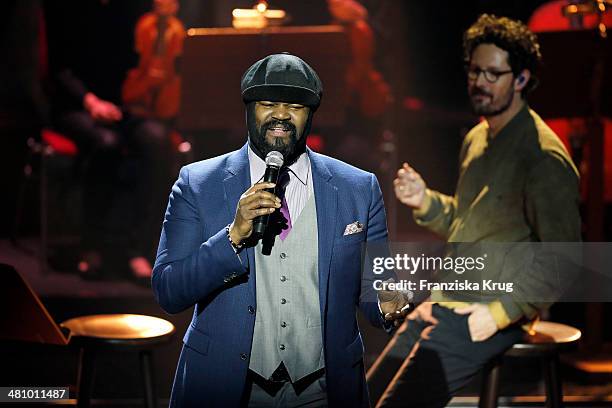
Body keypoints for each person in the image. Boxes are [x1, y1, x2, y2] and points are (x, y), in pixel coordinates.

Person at [152, 53, 410, 407]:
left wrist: (388, 303)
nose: (281, 115)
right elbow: (169, 290)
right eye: (268, 103)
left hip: (323, 391)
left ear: (310, 115)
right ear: (248, 109)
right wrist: (233, 236)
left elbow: (375, 287)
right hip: (225, 389)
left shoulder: (358, 188)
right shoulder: (198, 183)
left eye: (295, 105)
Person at [371, 14, 582, 407]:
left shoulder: (543, 156)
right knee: (361, 394)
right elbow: (469, 224)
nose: (480, 82)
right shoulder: (478, 137)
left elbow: (565, 258)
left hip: (489, 312)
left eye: (493, 73)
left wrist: (500, 314)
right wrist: (426, 202)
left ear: (520, 79)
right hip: (449, 299)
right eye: (475, 71)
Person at [46, 0, 177, 279]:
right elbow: (59, 71)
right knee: (106, 144)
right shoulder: (67, 11)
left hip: (124, 104)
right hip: (75, 105)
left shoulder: (130, 11)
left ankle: (138, 248)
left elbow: (137, 60)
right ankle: (91, 245)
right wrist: (90, 101)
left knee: (156, 140)